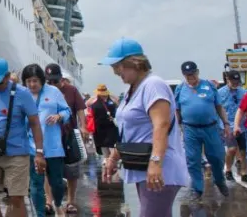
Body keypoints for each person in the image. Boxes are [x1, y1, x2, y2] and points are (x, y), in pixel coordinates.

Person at [99, 38, 189, 217]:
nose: (115, 72)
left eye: (118, 66)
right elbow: (131, 132)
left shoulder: (153, 85)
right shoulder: (134, 88)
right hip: (142, 165)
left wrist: (156, 164)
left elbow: (161, 125)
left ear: (134, 63)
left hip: (160, 167)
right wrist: (114, 157)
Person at [0, 57, 44, 217]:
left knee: (16, 198)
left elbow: (35, 123)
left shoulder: (23, 94)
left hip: (16, 154)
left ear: (7, 77)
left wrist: (39, 153)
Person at [173, 61, 230, 199]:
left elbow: (219, 106)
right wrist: (176, 127)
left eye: (192, 73)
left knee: (217, 157)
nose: (190, 76)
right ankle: (197, 189)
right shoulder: (180, 89)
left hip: (211, 128)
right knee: (192, 159)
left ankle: (220, 181)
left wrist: (226, 123)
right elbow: (177, 110)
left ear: (197, 72)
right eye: (187, 74)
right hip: (190, 129)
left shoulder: (209, 86)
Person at [21, 64, 71, 217]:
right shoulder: (22, 95)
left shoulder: (53, 92)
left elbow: (67, 110)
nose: (32, 85)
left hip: (53, 146)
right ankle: (40, 214)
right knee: (36, 184)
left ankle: (57, 203)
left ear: (42, 80)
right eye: (28, 81)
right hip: (32, 147)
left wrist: (59, 116)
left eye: (35, 81)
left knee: (56, 182)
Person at [44, 64, 86, 215]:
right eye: (49, 82)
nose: (52, 85)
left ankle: (71, 201)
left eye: (55, 81)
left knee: (71, 170)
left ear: (61, 79)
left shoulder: (71, 90)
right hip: (49, 137)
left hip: (67, 136)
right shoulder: (43, 91)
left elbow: (80, 109)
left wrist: (83, 126)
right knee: (48, 171)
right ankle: (49, 201)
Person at [216, 72, 247, 182]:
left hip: (242, 126)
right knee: (232, 149)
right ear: (227, 80)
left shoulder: (243, 92)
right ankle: (228, 170)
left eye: (237, 82)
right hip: (227, 125)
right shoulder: (219, 93)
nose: (235, 84)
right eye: (232, 81)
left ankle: (244, 172)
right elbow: (217, 110)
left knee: (243, 150)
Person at [90, 85, 119, 157]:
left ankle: (110, 161)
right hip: (103, 127)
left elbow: (118, 105)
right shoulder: (96, 99)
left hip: (109, 127)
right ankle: (107, 161)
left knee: (111, 146)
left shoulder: (111, 98)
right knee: (105, 146)